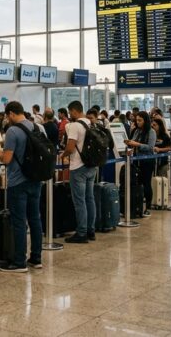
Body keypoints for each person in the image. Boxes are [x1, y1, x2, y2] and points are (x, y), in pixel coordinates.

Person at [0, 101, 43, 272]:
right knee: (35, 219)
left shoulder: (12, 131)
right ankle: (36, 258)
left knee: (19, 222)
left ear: (11, 114)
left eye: (8, 116)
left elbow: (6, 160)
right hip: (36, 179)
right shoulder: (38, 128)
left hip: (18, 182)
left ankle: (19, 262)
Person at [62, 101, 97, 243]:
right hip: (91, 165)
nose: (70, 115)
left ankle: (81, 233)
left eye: (70, 112)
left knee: (79, 201)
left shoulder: (75, 126)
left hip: (78, 167)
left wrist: (63, 155)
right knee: (90, 198)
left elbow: (70, 147)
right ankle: (91, 230)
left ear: (75, 111)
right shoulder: (91, 123)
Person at [125, 111, 156, 211]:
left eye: (140, 120)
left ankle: (148, 205)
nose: (137, 122)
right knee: (137, 182)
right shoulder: (137, 131)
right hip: (136, 160)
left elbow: (150, 147)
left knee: (146, 183)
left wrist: (136, 144)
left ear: (145, 120)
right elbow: (133, 144)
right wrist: (130, 147)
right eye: (136, 120)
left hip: (147, 161)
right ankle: (138, 204)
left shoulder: (151, 132)